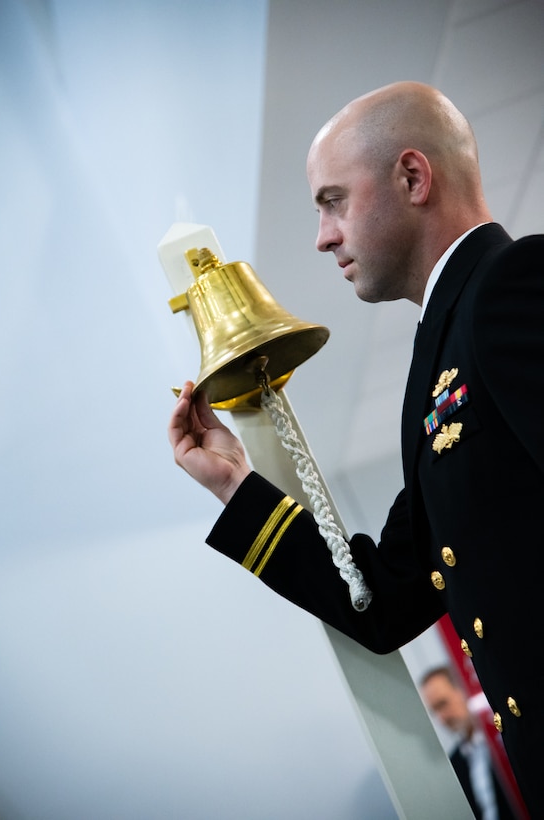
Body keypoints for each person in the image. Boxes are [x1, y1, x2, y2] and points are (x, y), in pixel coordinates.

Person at [167, 81, 543, 814]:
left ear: (412, 177)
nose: (321, 236)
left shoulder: (513, 282)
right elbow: (386, 600)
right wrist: (235, 488)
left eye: (332, 200)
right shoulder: (436, 369)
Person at [420, 666, 517, 819]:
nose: (441, 719)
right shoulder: (454, 763)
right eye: (434, 711)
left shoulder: (506, 736)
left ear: (464, 689)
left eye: (443, 704)